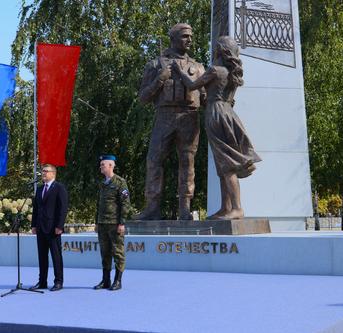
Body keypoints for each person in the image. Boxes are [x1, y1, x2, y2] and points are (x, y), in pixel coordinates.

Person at [172, 36, 261, 219]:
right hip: (229, 113)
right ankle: (226, 207)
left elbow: (192, 85)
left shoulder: (215, 70)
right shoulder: (233, 73)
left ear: (220, 50)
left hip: (216, 113)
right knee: (223, 163)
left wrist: (179, 71)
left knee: (227, 165)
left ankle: (236, 208)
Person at [135, 23, 206, 221]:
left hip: (189, 117)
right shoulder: (156, 65)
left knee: (187, 162)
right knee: (154, 160)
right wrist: (160, 78)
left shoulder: (199, 67)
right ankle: (152, 207)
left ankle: (185, 208)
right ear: (173, 38)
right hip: (164, 116)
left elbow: (206, 96)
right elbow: (143, 97)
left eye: (190, 36)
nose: (189, 40)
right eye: (185, 36)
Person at [94, 155, 130, 291]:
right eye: (101, 164)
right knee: (105, 252)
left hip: (115, 224)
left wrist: (122, 223)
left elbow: (125, 204)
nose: (100, 166)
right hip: (102, 223)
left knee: (118, 252)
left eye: (103, 164)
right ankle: (105, 280)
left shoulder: (120, 182)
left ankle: (118, 280)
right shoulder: (102, 184)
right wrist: (96, 221)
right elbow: (99, 204)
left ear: (110, 165)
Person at [30, 164, 68, 291]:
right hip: (41, 228)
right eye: (42, 171)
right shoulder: (40, 189)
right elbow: (36, 209)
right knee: (42, 256)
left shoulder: (59, 188)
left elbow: (62, 209)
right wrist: (34, 225)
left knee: (56, 256)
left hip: (53, 228)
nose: (43, 173)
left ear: (53, 173)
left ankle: (58, 281)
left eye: (46, 171)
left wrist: (59, 226)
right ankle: (42, 282)